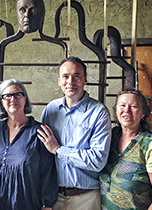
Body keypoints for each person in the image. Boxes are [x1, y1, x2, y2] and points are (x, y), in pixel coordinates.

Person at [37, 57, 112, 210]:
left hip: (86, 198)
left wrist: (58, 150)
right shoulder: (50, 109)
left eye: (76, 76)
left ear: (85, 80)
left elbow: (97, 160)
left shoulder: (98, 112)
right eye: (65, 76)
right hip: (54, 197)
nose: (70, 81)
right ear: (59, 81)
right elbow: (44, 156)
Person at [0, 79, 58, 210]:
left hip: (25, 205)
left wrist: (47, 204)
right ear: (1, 102)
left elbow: (48, 172)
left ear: (24, 99)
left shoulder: (39, 132)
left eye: (17, 95)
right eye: (7, 96)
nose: (13, 99)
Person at [99, 89, 152, 210]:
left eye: (133, 106)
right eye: (122, 105)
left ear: (143, 113)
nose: (126, 111)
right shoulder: (110, 137)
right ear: (116, 110)